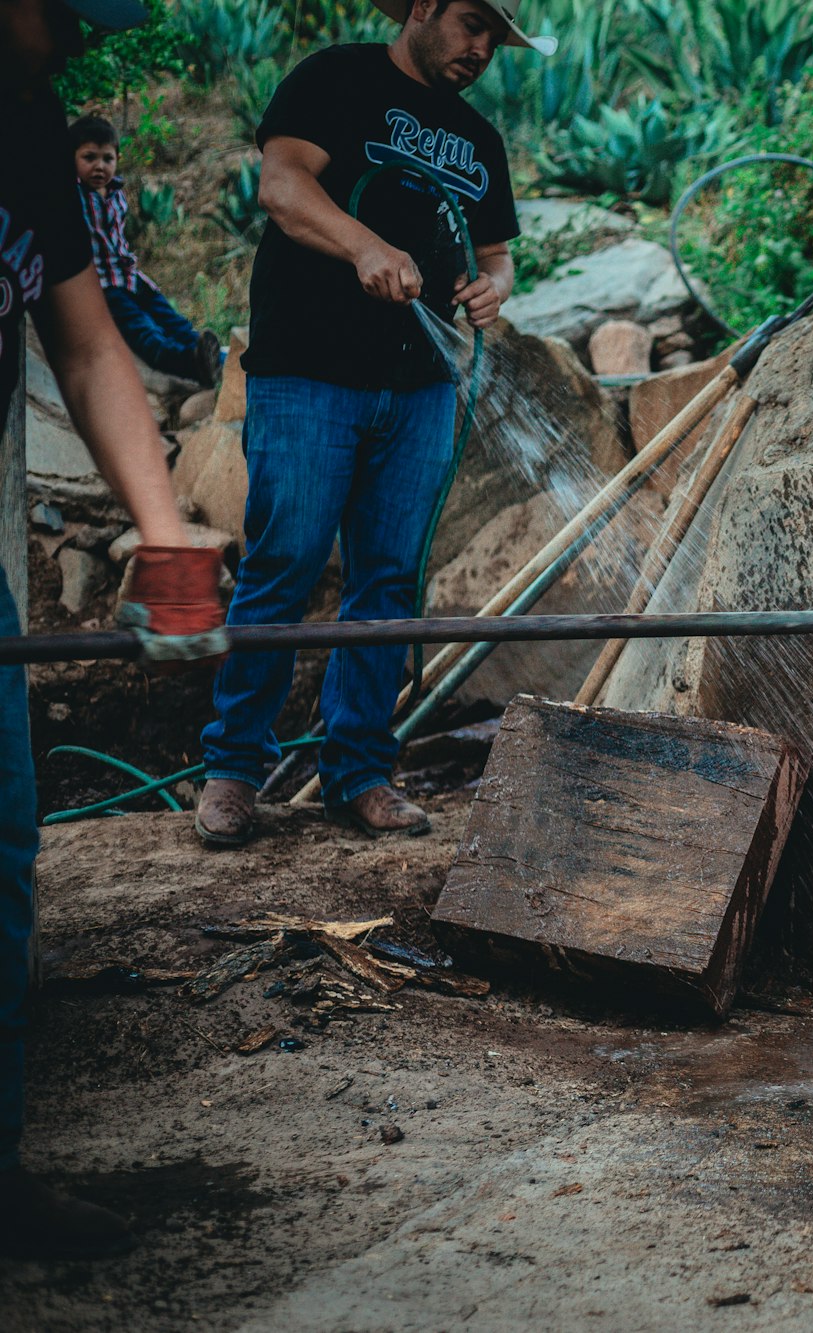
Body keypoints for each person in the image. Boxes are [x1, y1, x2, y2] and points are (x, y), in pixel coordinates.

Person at [193, 0, 551, 847]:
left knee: (389, 582)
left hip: (422, 386)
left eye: (496, 37)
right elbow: (282, 186)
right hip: (309, 375)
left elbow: (495, 252)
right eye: (471, 23)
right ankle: (235, 769)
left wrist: (492, 284)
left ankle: (358, 770)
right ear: (421, 6)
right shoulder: (336, 78)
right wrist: (363, 246)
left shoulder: (479, 140)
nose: (482, 48)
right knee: (284, 564)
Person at [0, 0, 226, 1257]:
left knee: (2, 846)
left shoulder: (30, 130)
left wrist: (166, 530)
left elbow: (85, 343)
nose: (84, 32)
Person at [70, 114, 222, 387]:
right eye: (89, 157)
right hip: (103, 285)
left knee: (173, 320)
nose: (99, 167)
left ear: (117, 158)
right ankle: (189, 364)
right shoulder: (73, 193)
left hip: (131, 277)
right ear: (71, 159)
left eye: (107, 159)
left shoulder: (115, 191)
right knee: (145, 332)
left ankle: (214, 359)